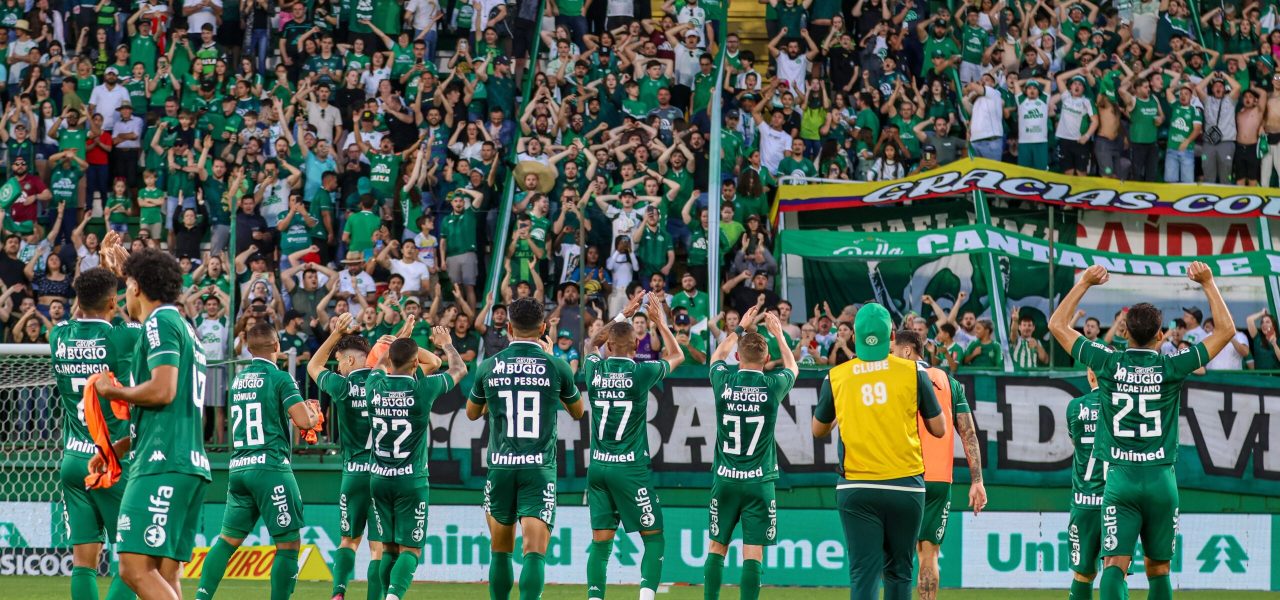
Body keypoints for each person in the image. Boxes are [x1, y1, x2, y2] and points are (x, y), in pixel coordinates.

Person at [1047, 263, 1237, 600]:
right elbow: (1226, 331)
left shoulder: (1108, 362)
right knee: (1159, 569)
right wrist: (1208, 282)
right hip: (1161, 479)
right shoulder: (1172, 365)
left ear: (1124, 333)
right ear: (1160, 336)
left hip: (1120, 480)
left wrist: (1085, 282)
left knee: (1114, 566)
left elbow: (1057, 325)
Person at [92, 238, 211, 600]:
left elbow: (162, 391)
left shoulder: (161, 324)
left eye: (127, 285)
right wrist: (120, 446)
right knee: (164, 573)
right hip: (185, 461)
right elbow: (170, 406)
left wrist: (112, 392)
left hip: (163, 464)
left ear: (136, 288)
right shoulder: (182, 327)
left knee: (134, 568)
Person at [811, 303, 945, 600]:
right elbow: (939, 428)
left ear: (854, 336)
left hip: (857, 486)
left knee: (864, 574)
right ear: (892, 337)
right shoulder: (914, 372)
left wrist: (846, 410)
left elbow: (818, 429)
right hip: (906, 485)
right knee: (899, 572)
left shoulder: (837, 376)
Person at [466, 296, 584, 600]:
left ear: (509, 327)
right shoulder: (556, 365)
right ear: (543, 328)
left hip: (501, 465)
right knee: (534, 550)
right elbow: (578, 411)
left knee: (500, 549)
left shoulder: (489, 366)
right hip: (538, 467)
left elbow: (472, 412)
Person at [194, 322, 322, 600]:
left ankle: (201, 597)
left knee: (227, 541)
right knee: (288, 546)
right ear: (277, 345)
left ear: (249, 349)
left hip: (239, 468)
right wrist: (313, 414)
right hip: (270, 467)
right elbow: (303, 421)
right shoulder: (281, 378)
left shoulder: (238, 380)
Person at [583, 292, 683, 600]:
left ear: (609, 347)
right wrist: (660, 323)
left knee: (601, 542)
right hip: (629, 468)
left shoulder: (594, 369)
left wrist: (622, 315)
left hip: (598, 467)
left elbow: (590, 344)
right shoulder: (642, 372)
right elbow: (677, 355)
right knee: (654, 538)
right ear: (637, 346)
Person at [48, 267, 141, 600]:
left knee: (83, 563)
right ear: (113, 302)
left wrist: (101, 275)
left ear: (77, 299)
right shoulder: (122, 337)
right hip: (110, 460)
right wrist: (124, 276)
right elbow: (143, 315)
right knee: (134, 563)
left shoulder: (58, 335)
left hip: (73, 460)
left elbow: (83, 312)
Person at [702, 307, 798, 600]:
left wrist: (739, 329)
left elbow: (717, 357)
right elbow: (793, 368)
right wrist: (779, 334)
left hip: (725, 479)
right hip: (759, 481)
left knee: (717, 547)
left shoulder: (724, 382)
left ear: (738, 357)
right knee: (753, 552)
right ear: (767, 359)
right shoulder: (772, 386)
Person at [366, 327, 467, 600]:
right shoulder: (423, 389)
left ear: (390, 359)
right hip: (411, 480)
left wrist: (397, 340)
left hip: (379, 478)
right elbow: (459, 369)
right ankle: (393, 596)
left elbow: (380, 362)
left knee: (388, 548)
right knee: (410, 549)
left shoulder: (373, 386)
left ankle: (385, 594)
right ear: (415, 364)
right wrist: (446, 344)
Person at [889, 329, 986, 600]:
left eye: (894, 351)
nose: (891, 356)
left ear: (907, 350)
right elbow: (968, 433)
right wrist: (977, 480)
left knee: (896, 554)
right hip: (938, 480)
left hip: (903, 476)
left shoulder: (893, 378)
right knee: (929, 554)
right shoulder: (949, 383)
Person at [308, 316, 382, 600]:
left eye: (339, 361)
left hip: (353, 473)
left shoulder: (342, 386)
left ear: (350, 361)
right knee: (378, 547)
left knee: (348, 540)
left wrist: (335, 334)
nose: (337, 367)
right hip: (383, 473)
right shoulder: (384, 383)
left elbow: (313, 366)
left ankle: (338, 593)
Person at [1065, 368, 1104, 600]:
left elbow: (1075, 441)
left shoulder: (1075, 406)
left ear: (1090, 375)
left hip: (1085, 500)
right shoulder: (1123, 405)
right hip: (1118, 501)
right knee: (1117, 571)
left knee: (1082, 574)